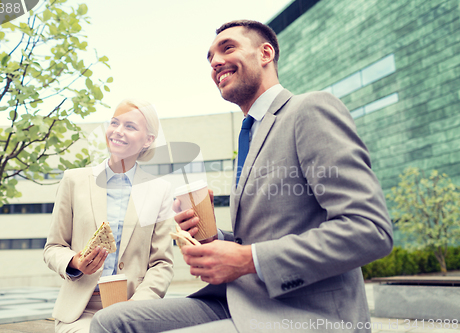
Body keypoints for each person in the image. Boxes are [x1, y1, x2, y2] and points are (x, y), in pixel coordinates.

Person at [90, 20, 393, 333]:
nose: (215, 62)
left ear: (265, 53)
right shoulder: (251, 134)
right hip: (239, 299)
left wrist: (248, 259)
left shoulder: (308, 110)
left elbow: (370, 230)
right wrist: (214, 239)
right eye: (209, 58)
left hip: (303, 312)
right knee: (110, 321)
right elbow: (260, 238)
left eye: (227, 48)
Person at [44, 99, 174, 333]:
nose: (117, 131)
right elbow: (54, 247)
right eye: (114, 123)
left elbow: (162, 264)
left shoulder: (160, 191)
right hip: (81, 312)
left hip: (134, 310)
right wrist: (76, 262)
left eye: (130, 126)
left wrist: (135, 307)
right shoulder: (74, 180)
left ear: (148, 140)